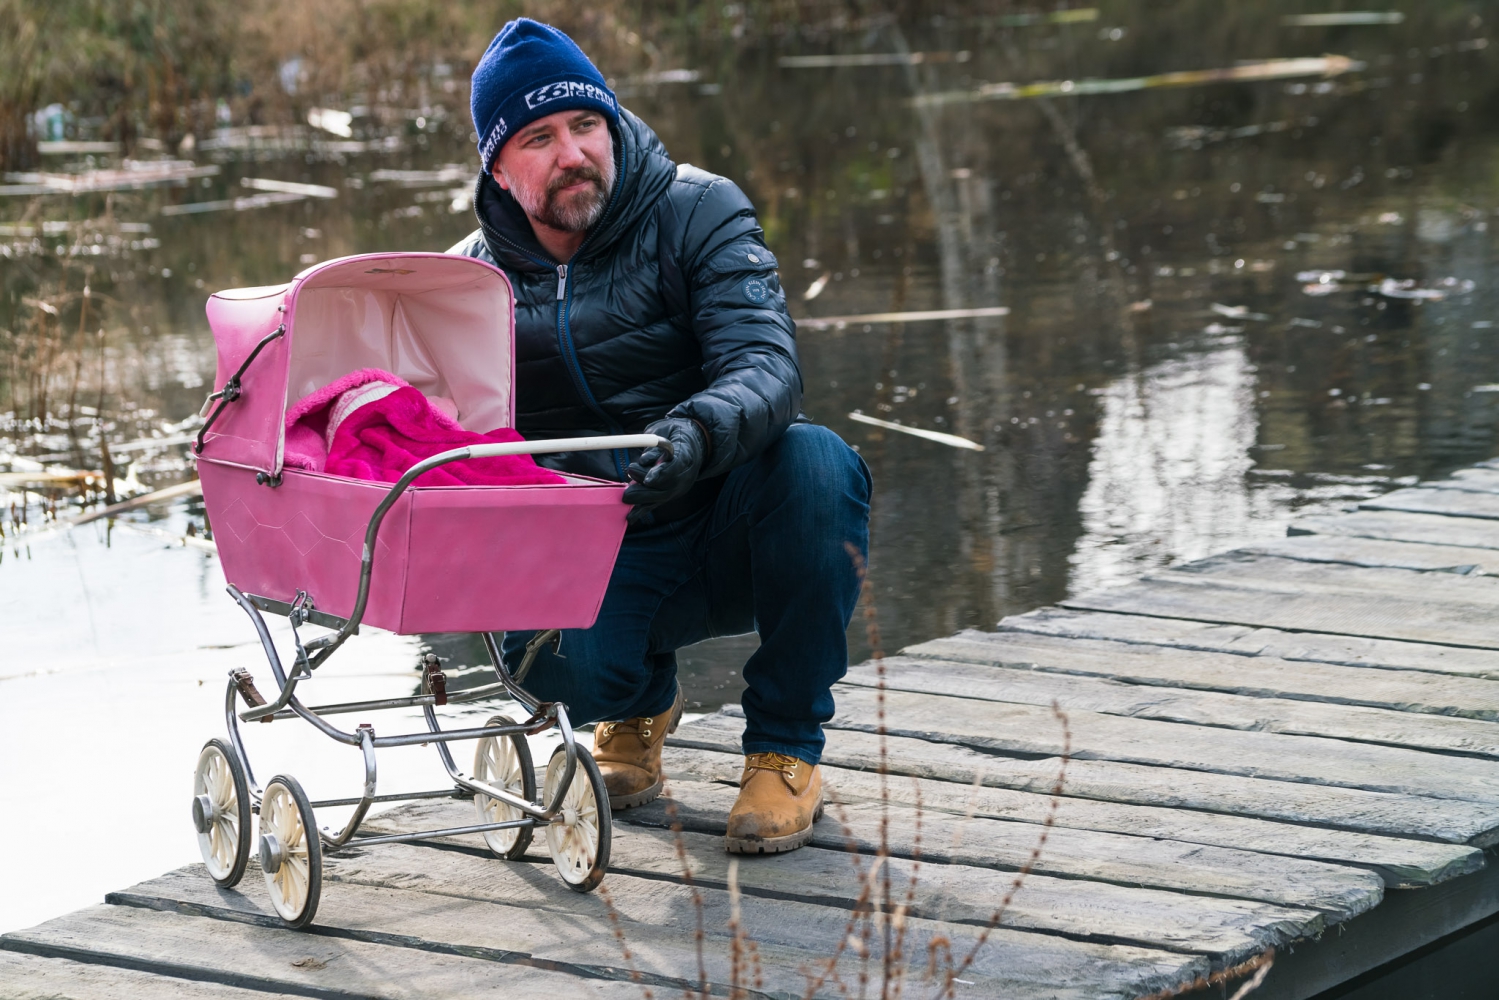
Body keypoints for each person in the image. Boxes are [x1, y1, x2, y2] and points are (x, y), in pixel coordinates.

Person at [450, 18, 871, 854]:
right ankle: (635, 706)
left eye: (585, 124)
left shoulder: (699, 210)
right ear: (498, 166)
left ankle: (785, 749)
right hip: (591, 548)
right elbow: (447, 443)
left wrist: (696, 434)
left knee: (817, 464)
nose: (573, 153)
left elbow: (764, 364)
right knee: (556, 673)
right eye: (539, 138)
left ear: (611, 125)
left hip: (717, 514)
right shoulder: (466, 280)